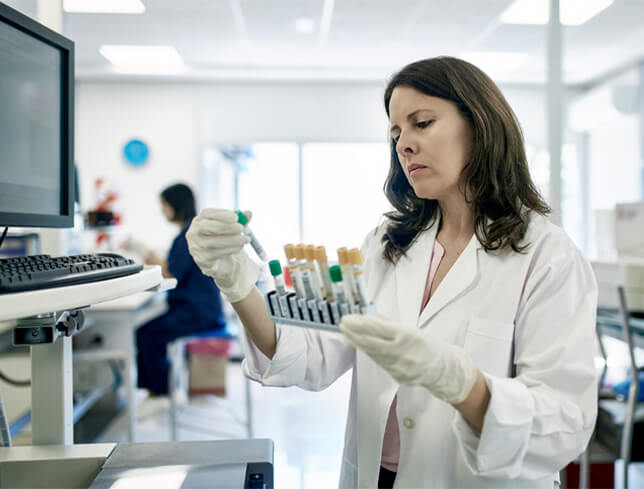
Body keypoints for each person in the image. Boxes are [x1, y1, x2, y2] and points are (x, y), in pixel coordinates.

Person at [185, 57, 598, 488]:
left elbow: (564, 420)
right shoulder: (388, 243)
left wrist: (466, 386)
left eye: (421, 123)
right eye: (396, 133)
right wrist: (235, 282)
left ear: (480, 124)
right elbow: (313, 354)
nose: (403, 145)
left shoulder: (546, 256)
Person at [128, 183, 225, 396]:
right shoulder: (190, 232)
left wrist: (144, 250)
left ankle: (161, 391)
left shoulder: (189, 236)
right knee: (146, 333)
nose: (163, 210)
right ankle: (159, 387)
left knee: (147, 335)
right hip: (199, 309)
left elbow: (170, 272)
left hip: (197, 313)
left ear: (176, 205)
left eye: (164, 204)